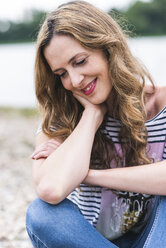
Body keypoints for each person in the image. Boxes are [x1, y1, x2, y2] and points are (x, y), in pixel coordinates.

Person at [26, 1, 166, 247]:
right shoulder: (61, 119)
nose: (76, 81)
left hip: (155, 237)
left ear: (108, 49)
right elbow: (51, 189)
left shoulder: (161, 104)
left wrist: (88, 175)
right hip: (90, 241)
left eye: (79, 61)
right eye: (62, 74)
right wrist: (91, 116)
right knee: (41, 213)